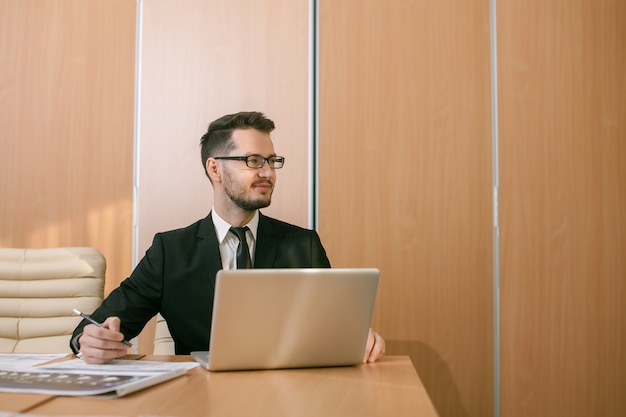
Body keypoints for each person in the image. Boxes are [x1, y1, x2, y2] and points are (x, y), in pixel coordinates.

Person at [70, 111, 386, 364]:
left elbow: (334, 326)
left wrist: (359, 337)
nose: (268, 173)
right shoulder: (170, 251)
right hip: (198, 400)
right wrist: (92, 340)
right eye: (253, 161)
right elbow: (97, 326)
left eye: (272, 161)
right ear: (215, 169)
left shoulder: (303, 245)